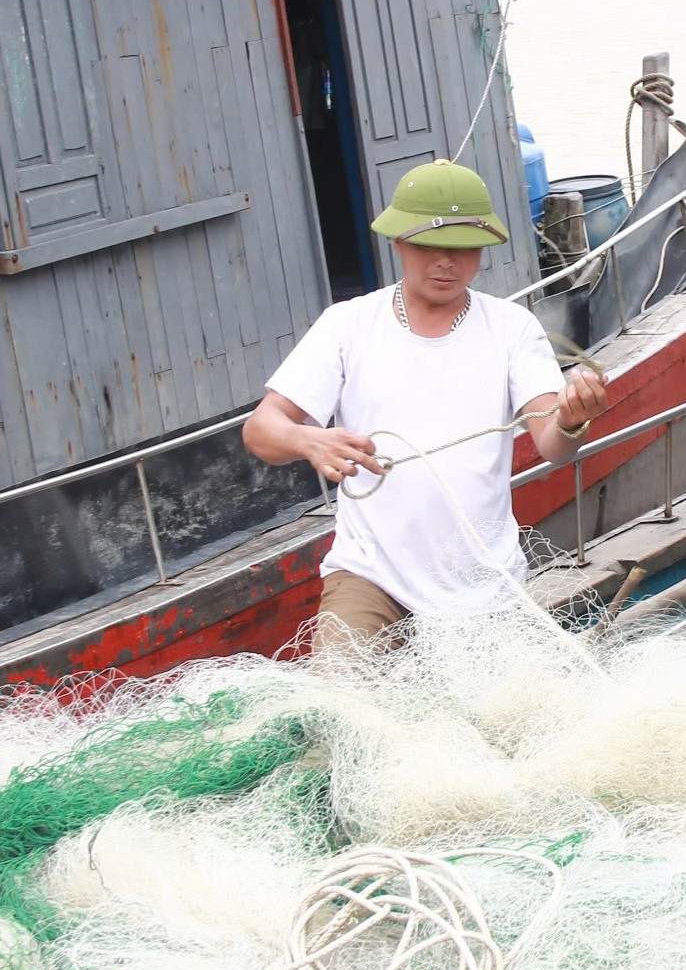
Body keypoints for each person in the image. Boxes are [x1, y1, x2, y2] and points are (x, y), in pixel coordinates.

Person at [243, 160, 610, 650]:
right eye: (429, 246)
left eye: (462, 249)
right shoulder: (347, 324)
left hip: (485, 588)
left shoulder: (511, 327)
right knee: (343, 699)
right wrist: (307, 438)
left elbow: (552, 446)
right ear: (398, 242)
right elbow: (261, 430)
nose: (446, 262)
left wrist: (571, 419)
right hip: (371, 577)